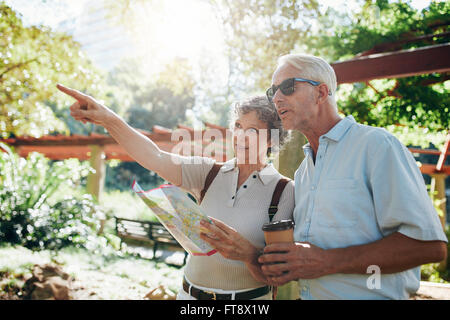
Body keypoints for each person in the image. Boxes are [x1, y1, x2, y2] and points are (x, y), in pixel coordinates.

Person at [56, 84, 294, 300]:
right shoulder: (208, 173)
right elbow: (155, 156)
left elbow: (279, 276)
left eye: (252, 130)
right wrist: (109, 119)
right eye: (239, 126)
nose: (241, 136)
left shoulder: (285, 192)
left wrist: (249, 254)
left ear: (272, 139)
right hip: (189, 296)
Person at [258, 53, 448, 300]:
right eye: (271, 91)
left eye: (287, 86)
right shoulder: (303, 172)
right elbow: (315, 255)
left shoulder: (378, 146)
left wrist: (327, 261)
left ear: (322, 93)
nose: (276, 98)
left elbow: (430, 247)